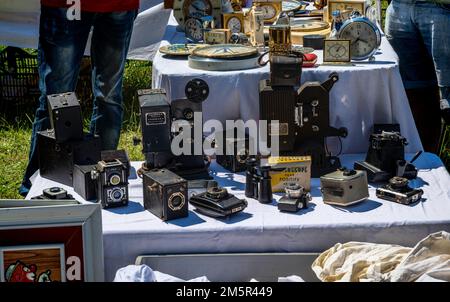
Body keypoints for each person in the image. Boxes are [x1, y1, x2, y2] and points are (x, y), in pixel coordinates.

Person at [19, 0, 139, 196]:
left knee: (109, 97)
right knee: (55, 98)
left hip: (119, 5)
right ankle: (38, 187)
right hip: (66, 4)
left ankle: (104, 181)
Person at [385, 0, 450, 152]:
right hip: (399, 8)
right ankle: (426, 161)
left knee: (447, 97)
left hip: (441, 9)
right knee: (412, 93)